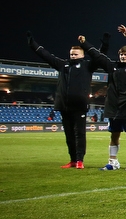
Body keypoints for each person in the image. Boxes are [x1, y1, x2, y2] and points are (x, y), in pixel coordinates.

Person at [82, 29, 126, 171]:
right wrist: (85, 44)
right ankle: (113, 162)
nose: (122, 56)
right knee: (114, 135)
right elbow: (97, 55)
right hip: (113, 107)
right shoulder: (112, 66)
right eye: (121, 54)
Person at [28, 31, 97, 169]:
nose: (73, 56)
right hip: (64, 106)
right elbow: (46, 56)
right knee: (69, 135)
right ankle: (72, 160)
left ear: (82, 55)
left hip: (79, 106)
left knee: (80, 134)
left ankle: (79, 160)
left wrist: (103, 43)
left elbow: (99, 56)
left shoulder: (87, 66)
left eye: (76, 54)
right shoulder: (63, 65)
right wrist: (33, 44)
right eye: (71, 54)